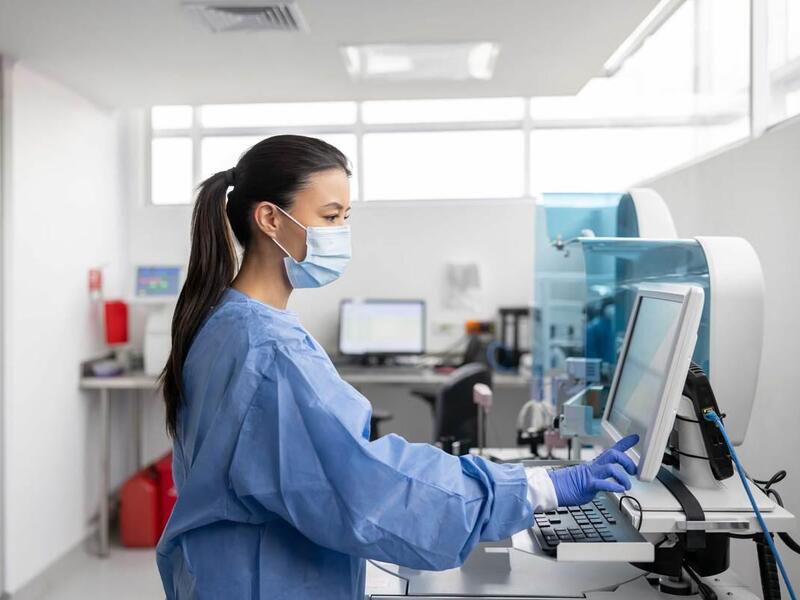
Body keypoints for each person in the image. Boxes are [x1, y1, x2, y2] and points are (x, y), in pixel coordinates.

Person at [156, 134, 639, 599]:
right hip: (265, 578)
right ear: (270, 219)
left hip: (226, 573)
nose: (341, 233)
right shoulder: (269, 348)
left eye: (346, 217)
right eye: (328, 216)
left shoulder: (224, 320)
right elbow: (365, 488)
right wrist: (535, 487)